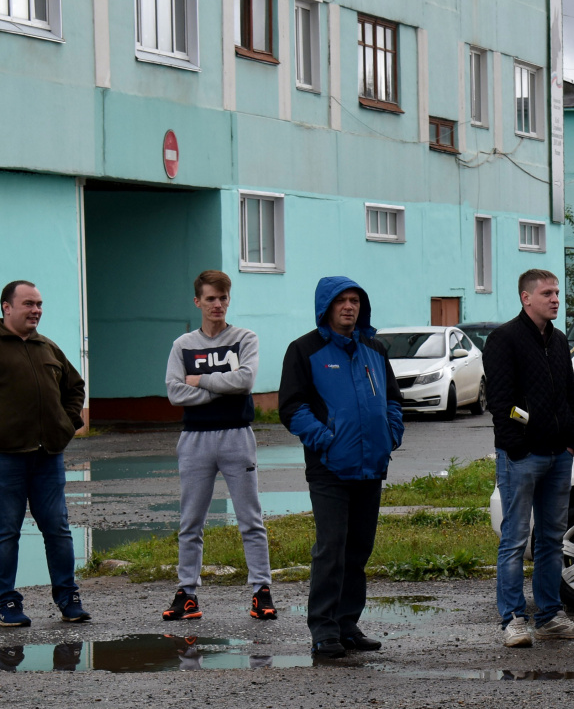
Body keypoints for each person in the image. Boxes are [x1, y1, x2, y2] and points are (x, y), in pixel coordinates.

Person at [279, 276, 405, 658]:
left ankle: (348, 623)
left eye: (354, 301)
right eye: (341, 301)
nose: (349, 307)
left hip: (370, 467)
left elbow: (393, 401)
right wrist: (324, 440)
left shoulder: (374, 349)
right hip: (329, 468)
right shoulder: (305, 350)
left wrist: (390, 434)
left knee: (358, 549)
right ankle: (323, 629)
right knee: (330, 549)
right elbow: (292, 407)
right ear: (326, 307)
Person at [485, 268, 574, 645]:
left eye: (557, 293)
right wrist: (519, 443)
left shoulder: (560, 340)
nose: (555, 299)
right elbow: (502, 403)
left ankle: (550, 616)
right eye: (547, 293)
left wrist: (571, 437)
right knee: (514, 538)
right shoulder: (504, 340)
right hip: (522, 457)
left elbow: (568, 394)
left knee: (552, 539)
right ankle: (513, 619)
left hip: (558, 456)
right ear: (525, 297)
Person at [162, 270, 275, 623]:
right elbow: (174, 391)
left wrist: (200, 381)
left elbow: (245, 380)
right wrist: (220, 388)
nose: (218, 305)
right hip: (195, 439)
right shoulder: (183, 345)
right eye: (210, 298)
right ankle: (187, 593)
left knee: (250, 518)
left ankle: (261, 591)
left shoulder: (245, 338)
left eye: (223, 298)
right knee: (191, 520)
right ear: (198, 301)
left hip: (236, 435)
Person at [0, 280, 89, 627]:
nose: (36, 310)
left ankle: (68, 598)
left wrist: (65, 425)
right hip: (6, 457)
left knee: (58, 528)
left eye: (39, 304)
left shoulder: (47, 347)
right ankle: (6, 602)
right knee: (6, 531)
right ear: (7, 307)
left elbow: (75, 387)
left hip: (48, 456)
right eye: (28, 304)